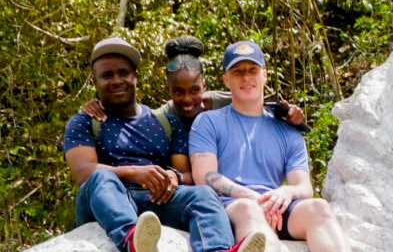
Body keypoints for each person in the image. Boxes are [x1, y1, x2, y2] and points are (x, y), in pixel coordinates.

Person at [187, 40, 387, 252]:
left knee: (318, 207)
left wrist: (286, 193)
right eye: (238, 71)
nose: (246, 77)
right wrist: (257, 198)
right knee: (248, 208)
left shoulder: (287, 130)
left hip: (277, 208)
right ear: (225, 79)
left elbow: (304, 186)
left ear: (265, 75)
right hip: (232, 208)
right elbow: (204, 176)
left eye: (252, 70)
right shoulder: (208, 122)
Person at [64, 37, 262, 252]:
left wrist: (173, 176)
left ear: (135, 76)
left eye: (123, 73)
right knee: (102, 177)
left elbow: (188, 173)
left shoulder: (165, 122)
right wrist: (135, 172)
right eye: (107, 75)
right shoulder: (84, 121)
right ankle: (133, 242)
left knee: (202, 193)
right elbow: (84, 172)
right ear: (95, 82)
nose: (116, 80)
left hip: (152, 196)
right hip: (106, 200)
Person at [82, 36, 306, 170]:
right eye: (178, 92)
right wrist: (99, 107)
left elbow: (259, 104)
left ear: (205, 86)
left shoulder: (225, 102)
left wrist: (291, 114)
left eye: (195, 91)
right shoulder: (162, 118)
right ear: (168, 90)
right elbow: (133, 119)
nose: (187, 100)